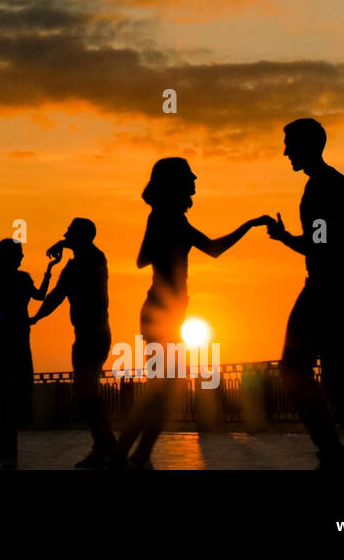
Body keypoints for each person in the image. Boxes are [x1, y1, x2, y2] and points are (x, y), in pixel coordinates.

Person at [111, 158, 272, 470]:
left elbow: (157, 256)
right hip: (161, 313)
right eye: (189, 175)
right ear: (175, 182)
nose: (195, 178)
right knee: (163, 390)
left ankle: (136, 456)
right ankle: (126, 456)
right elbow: (153, 258)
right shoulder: (164, 217)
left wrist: (248, 226)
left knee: (165, 390)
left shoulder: (167, 217)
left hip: (167, 314)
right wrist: (172, 249)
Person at [267, 118, 344, 470]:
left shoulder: (322, 187)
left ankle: (336, 454)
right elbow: (321, 241)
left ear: (308, 145)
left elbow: (320, 245)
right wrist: (288, 238)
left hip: (325, 289)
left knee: (296, 370)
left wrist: (286, 238)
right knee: (336, 378)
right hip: (338, 286)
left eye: (289, 143)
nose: (285, 151)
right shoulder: (333, 184)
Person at [32, 218, 115, 468]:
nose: (65, 235)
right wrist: (35, 317)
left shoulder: (92, 260)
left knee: (87, 392)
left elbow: (58, 295)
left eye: (69, 233)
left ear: (79, 237)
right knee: (87, 393)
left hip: (93, 335)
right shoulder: (78, 264)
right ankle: (104, 444)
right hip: (87, 335)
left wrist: (34, 318)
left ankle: (105, 446)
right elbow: (56, 296)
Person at [0, 238, 52, 468]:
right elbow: (40, 296)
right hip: (15, 342)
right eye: (20, 253)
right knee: (17, 394)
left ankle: (4, 445)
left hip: (3, 341)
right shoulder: (21, 279)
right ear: (11, 257)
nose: (22, 257)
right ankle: (7, 448)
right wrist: (49, 273)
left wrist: (2, 324)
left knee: (11, 396)